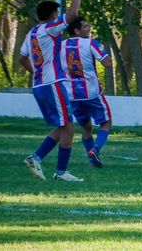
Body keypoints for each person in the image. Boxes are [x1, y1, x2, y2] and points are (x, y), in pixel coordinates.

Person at [18, 0, 84, 182]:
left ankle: (43, 161)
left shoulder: (31, 34)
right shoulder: (50, 28)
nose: (59, 15)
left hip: (40, 85)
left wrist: (36, 73)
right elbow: (73, 15)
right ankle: (56, 169)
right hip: (53, 83)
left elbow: (22, 58)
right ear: (53, 14)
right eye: (57, 13)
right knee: (70, 126)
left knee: (64, 125)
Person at [60, 16, 114, 168]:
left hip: (71, 95)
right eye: (85, 27)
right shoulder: (91, 43)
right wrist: (105, 53)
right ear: (77, 31)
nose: (88, 29)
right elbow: (107, 64)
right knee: (106, 122)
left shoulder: (60, 46)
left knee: (86, 127)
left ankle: (92, 161)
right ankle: (95, 150)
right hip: (91, 92)